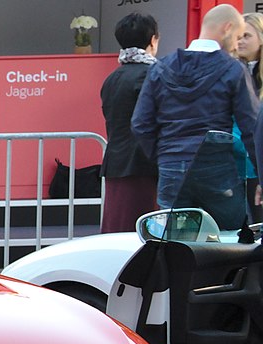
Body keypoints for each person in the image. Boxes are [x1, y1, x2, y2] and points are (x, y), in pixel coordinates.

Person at [133, 4, 259, 230]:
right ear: (227, 28)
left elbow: (140, 124)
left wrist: (164, 155)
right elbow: (252, 128)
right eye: (237, 36)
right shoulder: (232, 69)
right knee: (231, 239)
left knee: (174, 242)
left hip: (171, 168)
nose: (236, 45)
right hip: (217, 168)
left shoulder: (160, 68)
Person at [100, 14, 159, 233]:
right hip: (145, 167)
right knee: (142, 234)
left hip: (115, 163)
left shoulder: (113, 78)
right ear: (152, 40)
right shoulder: (154, 75)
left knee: (116, 230)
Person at [234, 13, 263, 220]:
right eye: (238, 36)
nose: (240, 41)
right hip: (233, 165)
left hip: (257, 167)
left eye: (246, 36)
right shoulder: (231, 71)